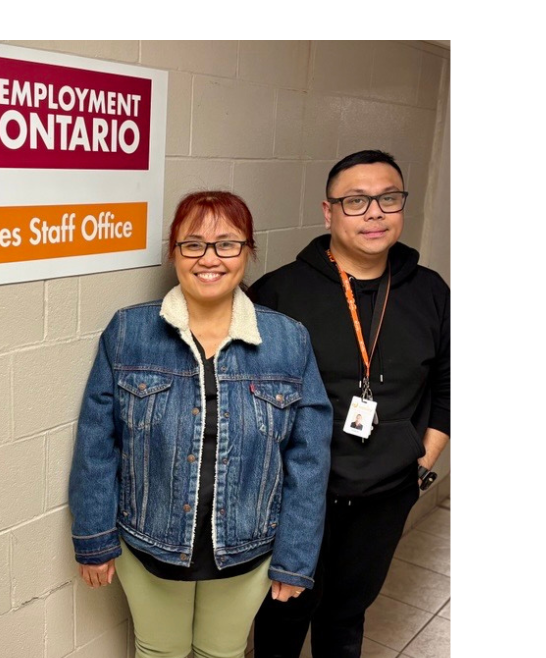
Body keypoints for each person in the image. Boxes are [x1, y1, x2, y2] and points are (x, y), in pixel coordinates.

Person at [68, 191, 333, 658]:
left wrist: (295, 558)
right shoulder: (129, 333)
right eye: (193, 244)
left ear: (248, 251)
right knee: (160, 651)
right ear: (174, 252)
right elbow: (96, 443)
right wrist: (94, 538)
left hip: (249, 548)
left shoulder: (289, 340)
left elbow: (308, 460)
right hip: (148, 542)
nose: (209, 258)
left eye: (227, 244)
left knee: (221, 652)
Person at [250, 150, 450, 658]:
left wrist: (421, 462)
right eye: (356, 201)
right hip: (297, 496)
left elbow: (451, 384)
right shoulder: (280, 292)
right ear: (329, 211)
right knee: (283, 614)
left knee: (345, 617)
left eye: (388, 198)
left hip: (385, 494)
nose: (375, 213)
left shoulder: (430, 292)